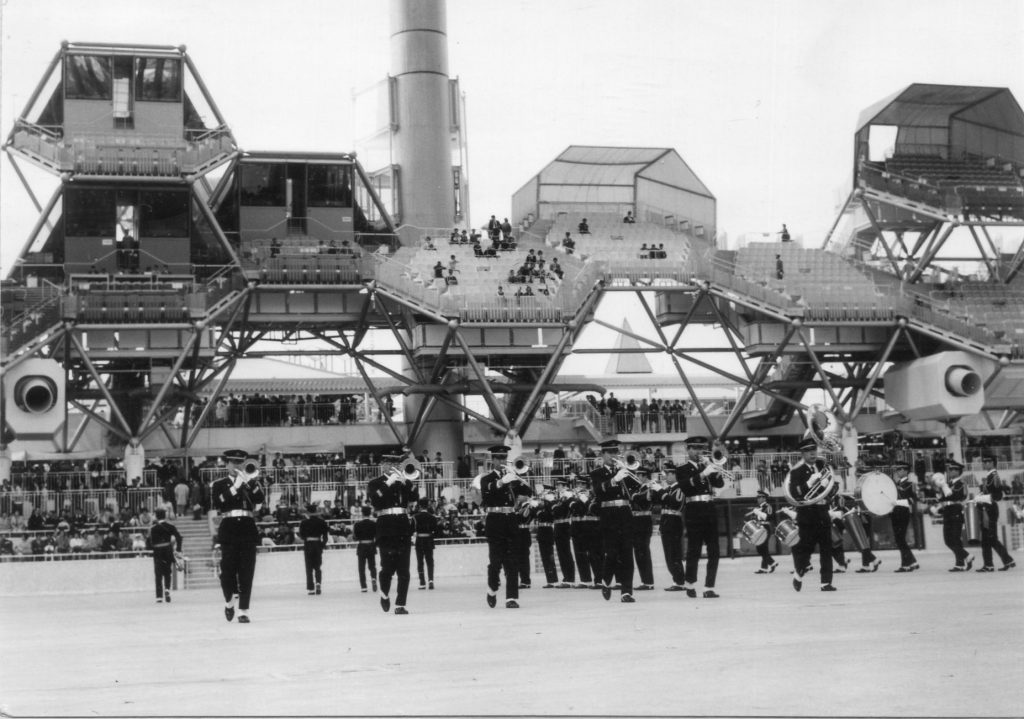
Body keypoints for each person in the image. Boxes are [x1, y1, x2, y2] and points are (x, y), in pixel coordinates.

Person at [212, 449, 266, 623]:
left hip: (247, 529)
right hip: (228, 529)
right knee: (227, 573)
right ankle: (229, 601)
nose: (237, 466)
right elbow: (218, 502)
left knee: (247, 571)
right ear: (227, 464)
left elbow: (260, 499)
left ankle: (243, 610)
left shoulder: (250, 482)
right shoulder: (219, 484)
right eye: (233, 463)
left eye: (240, 463)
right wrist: (235, 487)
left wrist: (249, 483)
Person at [478, 445, 532, 608]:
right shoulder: (486, 478)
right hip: (495, 521)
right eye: (499, 458)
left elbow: (529, 491)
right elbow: (488, 491)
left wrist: (517, 477)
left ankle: (511, 598)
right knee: (495, 562)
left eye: (504, 458)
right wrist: (502, 481)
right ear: (493, 460)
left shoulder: (511, 477)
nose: (502, 461)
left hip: (510, 520)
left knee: (512, 561)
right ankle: (492, 588)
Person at [366, 454, 419, 614]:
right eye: (388, 463)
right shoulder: (375, 483)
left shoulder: (403, 482)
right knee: (387, 568)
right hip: (386, 528)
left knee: (404, 570)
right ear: (382, 465)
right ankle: (384, 593)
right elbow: (375, 500)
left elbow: (415, 498)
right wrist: (387, 484)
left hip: (403, 527)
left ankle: (400, 604)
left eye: (395, 463)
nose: (391, 466)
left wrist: (407, 483)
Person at [674, 437, 725, 598]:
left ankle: (709, 586)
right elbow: (685, 486)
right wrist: (703, 474)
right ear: (688, 450)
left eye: (700, 449)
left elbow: (720, 484)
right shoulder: (682, 468)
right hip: (694, 510)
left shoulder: (706, 465)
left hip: (709, 509)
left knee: (714, 550)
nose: (698, 452)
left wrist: (714, 468)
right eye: (695, 449)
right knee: (694, 549)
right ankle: (689, 582)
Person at [589, 439, 639, 602]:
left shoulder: (623, 471)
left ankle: (626, 592)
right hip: (608, 516)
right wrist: (613, 480)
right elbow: (598, 491)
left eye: (615, 452)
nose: (613, 456)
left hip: (625, 515)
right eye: (609, 453)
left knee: (627, 553)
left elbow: (636, 488)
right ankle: (605, 579)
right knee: (611, 553)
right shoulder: (597, 473)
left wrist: (626, 472)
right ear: (602, 454)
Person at [787, 438, 837, 592]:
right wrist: (809, 483)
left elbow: (833, 487)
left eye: (814, 450)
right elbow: (795, 494)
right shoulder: (796, 472)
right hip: (807, 515)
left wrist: (828, 486)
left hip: (822, 513)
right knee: (806, 550)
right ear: (802, 453)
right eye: (809, 451)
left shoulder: (823, 466)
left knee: (826, 549)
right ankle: (799, 573)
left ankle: (825, 582)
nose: (813, 453)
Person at [929, 460, 974, 572]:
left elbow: (955, 496)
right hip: (947, 512)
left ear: (959, 472)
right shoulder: (948, 484)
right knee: (948, 540)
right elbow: (942, 498)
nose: (952, 471)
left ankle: (962, 561)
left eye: (955, 469)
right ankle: (964, 558)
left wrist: (943, 486)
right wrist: (937, 489)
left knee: (954, 539)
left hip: (956, 512)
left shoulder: (961, 484)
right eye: (951, 469)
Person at [975, 456, 1015, 572]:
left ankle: (991, 564)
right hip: (987, 508)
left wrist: (980, 498)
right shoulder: (990, 476)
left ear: (993, 463)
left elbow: (997, 496)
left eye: (988, 462)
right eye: (984, 462)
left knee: (989, 538)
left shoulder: (993, 476)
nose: (985, 463)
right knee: (989, 538)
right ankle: (1002, 561)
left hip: (989, 509)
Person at [652, 464, 686, 590]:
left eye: (669, 473)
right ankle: (677, 580)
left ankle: (679, 581)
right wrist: (654, 489)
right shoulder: (669, 489)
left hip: (674, 522)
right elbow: (657, 502)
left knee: (674, 554)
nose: (666, 476)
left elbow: (674, 503)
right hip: (667, 522)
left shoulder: (679, 488)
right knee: (669, 554)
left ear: (674, 475)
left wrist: (660, 490)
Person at [829, 493, 881, 573]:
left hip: (860, 518)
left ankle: (870, 561)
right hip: (859, 517)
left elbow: (844, 508)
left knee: (861, 542)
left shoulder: (839, 497)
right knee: (862, 542)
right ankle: (868, 563)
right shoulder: (843, 497)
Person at [148, 507, 182, 603]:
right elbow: (179, 537)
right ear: (165, 515)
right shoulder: (170, 526)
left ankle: (159, 597)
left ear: (157, 516)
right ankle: (167, 589)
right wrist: (178, 549)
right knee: (168, 572)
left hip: (157, 551)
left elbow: (150, 542)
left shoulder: (153, 528)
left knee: (158, 573)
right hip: (167, 550)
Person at [890, 461, 920, 572]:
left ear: (905, 471)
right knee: (899, 539)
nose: (897, 472)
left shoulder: (910, 484)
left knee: (900, 539)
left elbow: (912, 500)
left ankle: (906, 565)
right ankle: (911, 561)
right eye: (897, 470)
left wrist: (897, 502)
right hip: (895, 512)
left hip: (903, 512)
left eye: (899, 469)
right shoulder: (895, 485)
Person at [298, 505, 330, 595]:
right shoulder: (321, 522)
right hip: (317, 544)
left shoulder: (304, 522)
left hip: (308, 545)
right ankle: (318, 583)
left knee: (309, 567)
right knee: (317, 567)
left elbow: (301, 535)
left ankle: (311, 588)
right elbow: (325, 536)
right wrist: (322, 545)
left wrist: (307, 538)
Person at [551, 480, 577, 588]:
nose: (557, 487)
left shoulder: (567, 496)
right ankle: (566, 577)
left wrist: (553, 504)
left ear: (565, 486)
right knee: (561, 553)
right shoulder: (560, 497)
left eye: (559, 485)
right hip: (557, 526)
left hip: (564, 525)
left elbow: (559, 510)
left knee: (566, 553)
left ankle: (570, 578)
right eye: (557, 485)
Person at [749, 489, 778, 574]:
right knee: (762, 548)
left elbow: (767, 517)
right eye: (757, 497)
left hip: (765, 528)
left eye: (759, 497)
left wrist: (757, 512)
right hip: (759, 528)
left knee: (761, 548)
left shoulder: (768, 506)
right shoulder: (759, 507)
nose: (758, 499)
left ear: (764, 498)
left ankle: (772, 563)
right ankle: (765, 567)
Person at [413, 498, 438, 590]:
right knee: (430, 561)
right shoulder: (432, 517)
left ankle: (422, 582)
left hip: (419, 540)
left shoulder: (415, 517)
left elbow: (412, 530)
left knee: (420, 562)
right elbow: (436, 530)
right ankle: (431, 580)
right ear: (427, 506)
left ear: (419, 506)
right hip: (428, 540)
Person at [352, 505, 377, 593]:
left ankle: (363, 586)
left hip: (362, 546)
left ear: (362, 513)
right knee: (372, 566)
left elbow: (354, 537)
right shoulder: (374, 524)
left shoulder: (357, 524)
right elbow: (376, 535)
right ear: (370, 513)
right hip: (371, 545)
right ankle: (373, 578)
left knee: (361, 567)